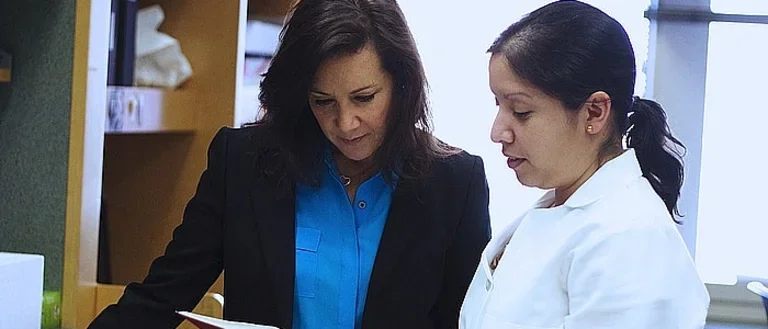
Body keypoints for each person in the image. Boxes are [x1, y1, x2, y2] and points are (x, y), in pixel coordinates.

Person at [88, 0, 491, 328]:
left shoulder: (455, 183)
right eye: (323, 101)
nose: (345, 123)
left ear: (402, 86)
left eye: (364, 97)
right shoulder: (243, 164)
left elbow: (468, 321)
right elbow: (161, 296)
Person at [459, 1, 710, 328]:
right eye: (498, 105)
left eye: (521, 111)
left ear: (594, 112)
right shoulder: (559, 209)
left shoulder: (629, 239)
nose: (497, 132)